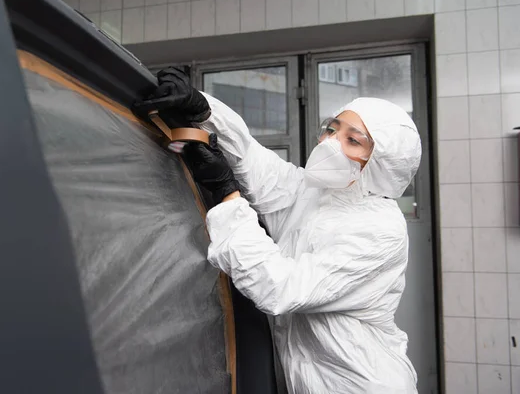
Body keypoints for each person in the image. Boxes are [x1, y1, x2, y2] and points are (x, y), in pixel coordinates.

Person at [134, 67, 421, 394]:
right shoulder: (319, 192)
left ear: (382, 166)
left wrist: (228, 194)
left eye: (352, 140)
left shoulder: (381, 232)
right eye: (332, 129)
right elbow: (258, 165)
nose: (330, 143)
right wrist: (204, 110)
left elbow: (281, 287)